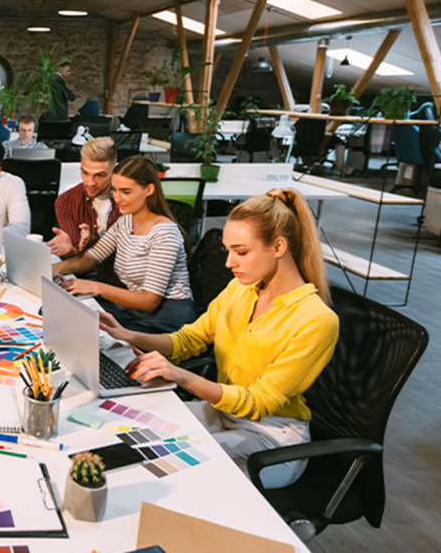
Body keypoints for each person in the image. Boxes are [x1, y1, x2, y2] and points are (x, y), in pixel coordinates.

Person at [99, 188, 339, 489]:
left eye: (241, 252)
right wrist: (126, 334)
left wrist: (179, 375)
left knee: (165, 468)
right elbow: (189, 339)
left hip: (273, 441)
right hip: (223, 414)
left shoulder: (316, 320)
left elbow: (257, 403)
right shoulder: (242, 289)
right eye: (228, 251)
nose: (229, 263)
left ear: (278, 246)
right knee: (134, 431)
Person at [52, 156, 196, 333]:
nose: (117, 198)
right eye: (115, 190)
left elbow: (149, 301)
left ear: (149, 190)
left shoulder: (164, 233)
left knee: (96, 337)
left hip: (167, 316)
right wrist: (51, 268)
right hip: (137, 311)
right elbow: (90, 258)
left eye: (126, 192)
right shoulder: (125, 221)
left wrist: (95, 287)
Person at [46, 137, 119, 258]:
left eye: (100, 175)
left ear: (114, 169)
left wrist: (93, 239)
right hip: (81, 272)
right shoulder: (66, 201)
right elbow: (75, 251)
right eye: (85, 173)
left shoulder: (128, 199)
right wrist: (69, 250)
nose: (90, 183)